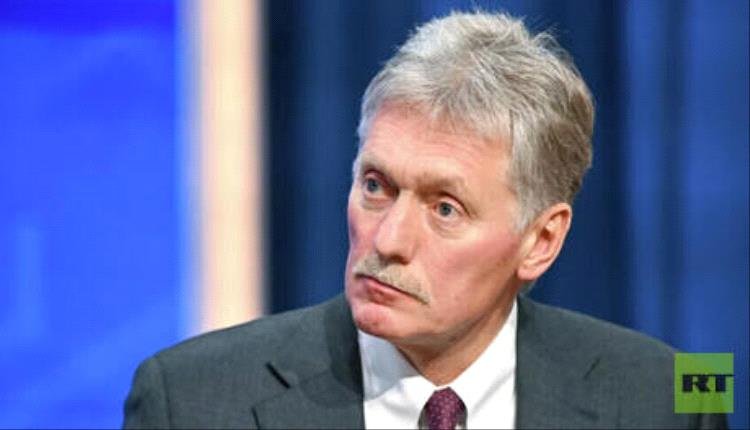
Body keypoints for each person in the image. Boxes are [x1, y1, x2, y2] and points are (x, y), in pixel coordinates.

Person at [124, 12, 727, 429]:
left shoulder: (676, 394)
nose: (387, 240)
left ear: (541, 241)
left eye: (445, 209)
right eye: (376, 186)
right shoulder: (187, 398)